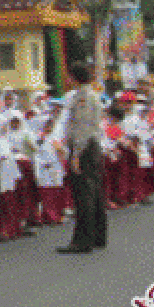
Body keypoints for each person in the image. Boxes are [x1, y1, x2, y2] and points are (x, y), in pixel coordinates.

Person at [58, 62, 106, 254]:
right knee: (95, 191)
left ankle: (82, 240)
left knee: (84, 193)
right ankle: (98, 235)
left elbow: (82, 127)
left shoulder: (83, 97)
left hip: (85, 147)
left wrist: (76, 153)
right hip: (90, 146)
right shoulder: (87, 94)